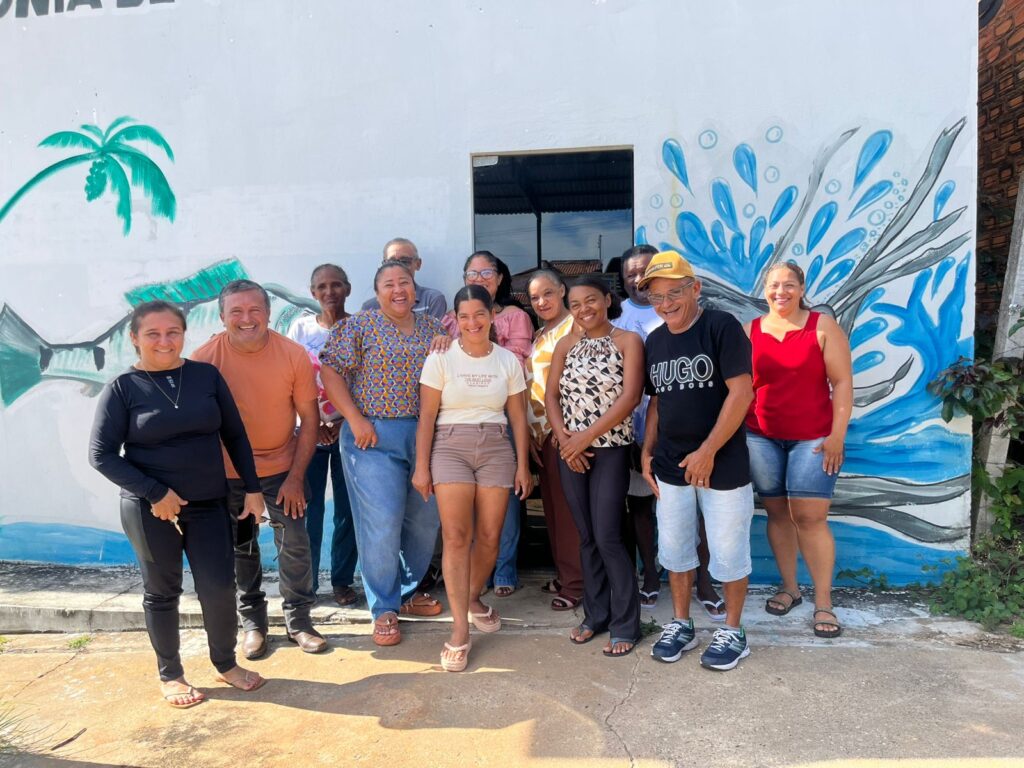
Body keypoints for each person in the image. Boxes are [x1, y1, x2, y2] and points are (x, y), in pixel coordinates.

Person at [89, 300, 267, 708]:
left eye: (173, 332)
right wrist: (155, 493)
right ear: (135, 338)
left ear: (184, 334)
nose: (164, 341)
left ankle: (225, 663)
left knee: (219, 586)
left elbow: (235, 436)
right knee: (162, 591)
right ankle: (171, 674)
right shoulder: (122, 388)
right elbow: (101, 455)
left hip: (209, 503)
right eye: (153, 333)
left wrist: (253, 489)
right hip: (151, 510)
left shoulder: (206, 376)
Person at [192, 279, 327, 659]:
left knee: (294, 545)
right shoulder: (205, 360)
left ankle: (299, 621)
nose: (246, 318)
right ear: (222, 317)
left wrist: (296, 478)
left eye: (255, 310)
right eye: (236, 311)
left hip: (283, 468)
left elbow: (310, 420)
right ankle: (253, 624)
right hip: (230, 474)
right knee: (242, 547)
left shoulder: (293, 355)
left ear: (268, 313)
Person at [639, 250, 755, 672]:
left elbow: (742, 392)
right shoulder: (655, 341)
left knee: (728, 550)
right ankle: (680, 623)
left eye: (674, 293)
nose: (665, 304)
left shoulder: (721, 327)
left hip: (723, 462)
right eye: (656, 297)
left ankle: (733, 631)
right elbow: (657, 401)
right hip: (671, 464)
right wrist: (647, 449)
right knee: (674, 550)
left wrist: (707, 451)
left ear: (696, 289)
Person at [320, 260, 445, 646]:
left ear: (414, 287)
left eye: (404, 282)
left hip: (424, 433)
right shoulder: (360, 325)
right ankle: (384, 608)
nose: (398, 290)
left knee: (425, 521)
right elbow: (330, 371)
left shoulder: (433, 329)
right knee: (382, 522)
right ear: (377, 293)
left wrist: (448, 345)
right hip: (371, 436)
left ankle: (406, 591)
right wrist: (354, 419)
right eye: (388, 284)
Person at [413, 285, 533, 671]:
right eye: (464, 316)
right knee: (456, 537)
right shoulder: (440, 358)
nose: (472, 322)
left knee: (490, 536)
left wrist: (523, 465)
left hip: (496, 445)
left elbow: (518, 417)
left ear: (492, 315)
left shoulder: (507, 361)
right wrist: (421, 466)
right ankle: (460, 629)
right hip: (450, 446)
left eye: (479, 314)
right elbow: (427, 416)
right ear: (455, 319)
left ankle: (471, 597)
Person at [614, 245, 726, 619]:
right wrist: (639, 439)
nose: (637, 279)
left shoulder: (686, 314)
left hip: (686, 433)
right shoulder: (617, 315)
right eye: (631, 274)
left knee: (699, 510)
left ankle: (704, 580)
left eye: (643, 272)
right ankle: (650, 573)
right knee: (642, 505)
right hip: (634, 429)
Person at [744, 261, 853, 638]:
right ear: (764, 289)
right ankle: (790, 588)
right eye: (774, 285)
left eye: (789, 285)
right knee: (777, 514)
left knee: (810, 518)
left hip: (814, 439)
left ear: (802, 288)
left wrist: (837, 435)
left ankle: (824, 602)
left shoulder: (823, 327)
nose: (781, 292)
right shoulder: (749, 331)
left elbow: (842, 383)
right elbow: (741, 388)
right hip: (761, 437)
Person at [546, 276, 644, 658]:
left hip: (610, 451)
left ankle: (626, 624)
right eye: (575, 304)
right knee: (586, 536)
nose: (583, 309)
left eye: (591, 300)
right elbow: (551, 396)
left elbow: (630, 397)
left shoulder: (628, 341)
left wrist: (582, 439)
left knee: (608, 536)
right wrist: (565, 440)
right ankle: (596, 615)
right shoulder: (565, 345)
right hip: (571, 452)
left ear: (607, 299)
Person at [442, 251, 533, 597]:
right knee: (462, 504)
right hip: (458, 419)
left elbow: (517, 363)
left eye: (486, 272)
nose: (479, 278)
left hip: (502, 413)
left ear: (500, 278)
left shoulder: (516, 316)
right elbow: (444, 356)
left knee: (503, 498)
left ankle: (504, 567)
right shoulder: (450, 319)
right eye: (472, 273)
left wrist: (481, 348)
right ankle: (469, 574)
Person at [287, 264, 359, 607]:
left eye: (336, 285)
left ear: (347, 288)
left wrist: (345, 422)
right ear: (313, 292)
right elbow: (289, 380)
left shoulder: (360, 326)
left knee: (348, 510)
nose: (329, 292)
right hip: (308, 433)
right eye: (322, 286)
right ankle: (309, 583)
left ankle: (342, 581)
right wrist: (313, 424)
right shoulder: (300, 329)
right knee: (309, 511)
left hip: (351, 432)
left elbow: (368, 381)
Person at [525, 268, 584, 611]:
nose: (541, 302)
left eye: (548, 293)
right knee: (553, 511)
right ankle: (566, 575)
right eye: (534, 297)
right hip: (543, 436)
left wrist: (563, 433)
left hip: (566, 434)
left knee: (569, 513)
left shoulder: (575, 326)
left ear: (562, 290)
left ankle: (577, 584)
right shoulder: (540, 334)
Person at [361, 238, 447, 318]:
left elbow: (433, 329)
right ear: (384, 265)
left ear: (418, 264)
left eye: (405, 261)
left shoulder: (431, 300)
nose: (398, 266)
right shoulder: (370, 307)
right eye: (391, 262)